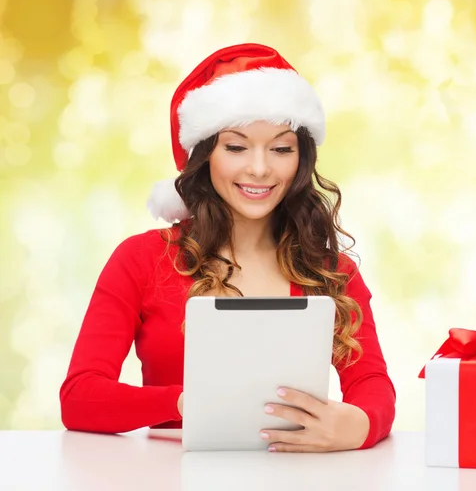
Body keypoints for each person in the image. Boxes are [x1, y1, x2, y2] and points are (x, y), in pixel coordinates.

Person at [59, 43, 396, 452]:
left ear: (301, 158)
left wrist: (360, 425)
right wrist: (188, 403)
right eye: (236, 147)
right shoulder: (142, 259)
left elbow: (372, 384)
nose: (260, 168)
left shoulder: (330, 269)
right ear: (205, 156)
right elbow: (80, 397)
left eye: (281, 148)